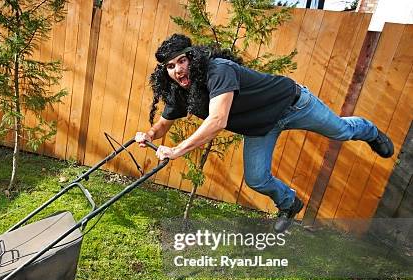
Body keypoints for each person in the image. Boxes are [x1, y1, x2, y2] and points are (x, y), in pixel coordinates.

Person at [135, 34, 394, 232]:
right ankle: (289, 203)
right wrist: (148, 135)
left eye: (182, 60)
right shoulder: (181, 92)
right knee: (257, 179)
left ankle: (370, 131)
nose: (178, 70)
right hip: (261, 128)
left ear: (193, 57)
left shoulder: (218, 70)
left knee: (341, 131)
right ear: (165, 72)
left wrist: (178, 150)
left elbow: (217, 120)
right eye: (170, 66)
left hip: (293, 104)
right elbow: (162, 125)